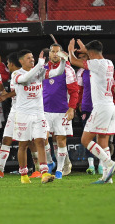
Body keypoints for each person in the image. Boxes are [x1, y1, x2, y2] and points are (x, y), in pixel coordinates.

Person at [68, 39, 115, 184]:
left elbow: (73, 61)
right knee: (102, 141)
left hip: (101, 107)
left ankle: (109, 163)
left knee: (85, 140)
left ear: (90, 53)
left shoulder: (96, 64)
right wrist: (85, 50)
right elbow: (90, 57)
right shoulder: (109, 62)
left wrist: (70, 50)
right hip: (110, 106)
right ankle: (106, 178)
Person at [13, 49, 66, 184]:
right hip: (23, 114)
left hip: (39, 113)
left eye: (33, 57)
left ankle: (44, 173)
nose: (32, 59)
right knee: (23, 144)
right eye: (28, 58)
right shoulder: (16, 74)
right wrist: (39, 65)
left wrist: (64, 60)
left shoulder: (39, 73)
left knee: (41, 141)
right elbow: (25, 79)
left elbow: (57, 72)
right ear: (21, 61)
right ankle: (23, 175)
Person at [42, 44, 78, 179]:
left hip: (61, 111)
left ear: (61, 54)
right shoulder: (43, 69)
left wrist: (71, 108)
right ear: (49, 53)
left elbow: (74, 92)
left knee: (61, 140)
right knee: (42, 138)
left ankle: (59, 170)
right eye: (52, 51)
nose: (55, 54)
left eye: (57, 52)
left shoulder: (68, 70)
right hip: (44, 110)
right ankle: (50, 162)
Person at [76, 51, 101, 175]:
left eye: (83, 57)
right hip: (87, 107)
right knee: (88, 137)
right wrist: (79, 104)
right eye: (79, 58)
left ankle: (102, 164)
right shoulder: (80, 72)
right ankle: (91, 165)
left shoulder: (101, 68)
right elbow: (78, 91)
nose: (81, 60)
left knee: (101, 136)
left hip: (101, 107)